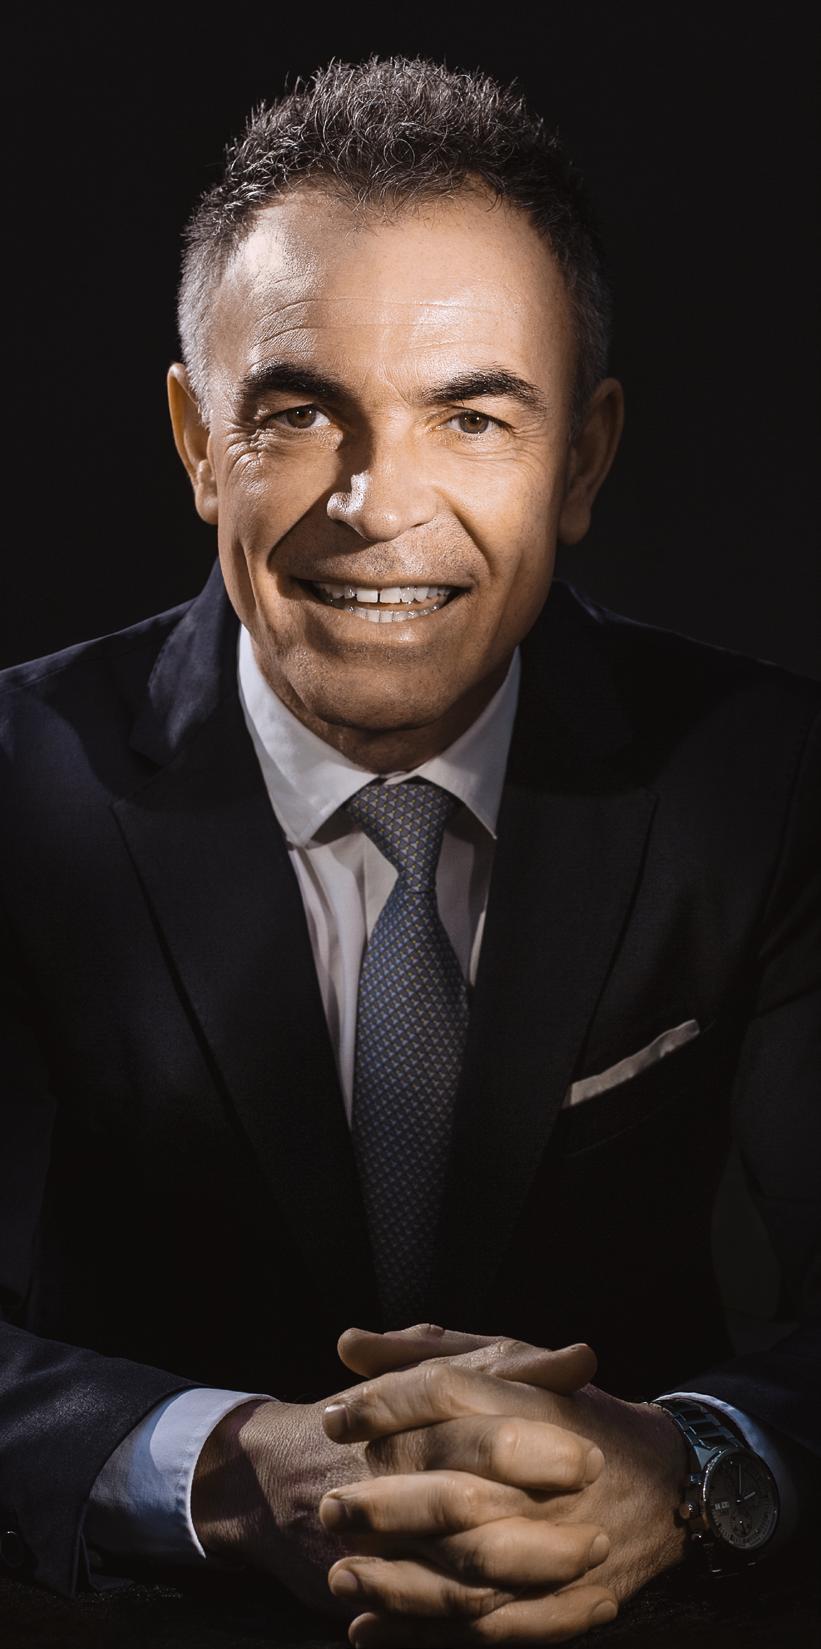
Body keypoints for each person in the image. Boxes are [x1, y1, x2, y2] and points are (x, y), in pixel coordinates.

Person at [1, 55, 818, 1647]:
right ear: (195, 441)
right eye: (298, 412)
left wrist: (686, 1466)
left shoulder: (772, 782)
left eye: (472, 416)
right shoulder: (19, 788)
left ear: (581, 460)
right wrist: (218, 1465)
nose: (380, 505)